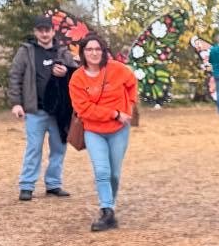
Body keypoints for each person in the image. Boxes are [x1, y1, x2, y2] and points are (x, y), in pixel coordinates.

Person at [68, 32, 137, 231]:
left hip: (118, 130)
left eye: (98, 49)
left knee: (114, 173)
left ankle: (111, 206)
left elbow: (132, 84)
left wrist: (129, 106)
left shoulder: (117, 69)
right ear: (82, 52)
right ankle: (106, 210)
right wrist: (114, 113)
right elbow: (84, 109)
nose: (94, 53)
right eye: (89, 49)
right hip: (93, 131)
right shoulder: (77, 79)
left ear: (104, 51)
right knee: (102, 171)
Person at [8, 16, 75, 201]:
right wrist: (16, 103)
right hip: (34, 110)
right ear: (35, 32)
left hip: (58, 112)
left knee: (59, 148)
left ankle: (53, 184)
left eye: (47, 30)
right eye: (40, 30)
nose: (44, 33)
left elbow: (76, 74)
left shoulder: (62, 52)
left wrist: (66, 72)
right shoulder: (25, 51)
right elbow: (15, 77)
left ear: (53, 32)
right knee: (33, 148)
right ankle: (27, 186)